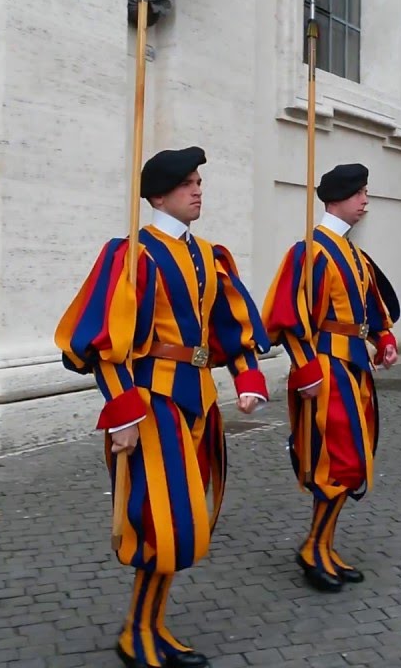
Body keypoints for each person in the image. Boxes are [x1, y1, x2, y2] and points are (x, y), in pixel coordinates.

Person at [54, 146, 270, 667]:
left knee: (180, 520)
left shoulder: (208, 254)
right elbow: (102, 341)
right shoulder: (131, 255)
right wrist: (123, 412)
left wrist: (246, 375)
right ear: (158, 194)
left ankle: (151, 626)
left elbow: (228, 325)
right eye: (187, 182)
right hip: (154, 405)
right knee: (163, 522)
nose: (198, 190)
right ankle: (136, 633)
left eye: (199, 181)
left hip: (200, 399)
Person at [262, 162, 401, 593]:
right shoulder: (309, 252)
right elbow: (288, 319)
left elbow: (373, 309)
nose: (365, 201)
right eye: (359, 193)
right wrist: (305, 368)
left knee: (351, 460)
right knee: (334, 462)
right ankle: (312, 549)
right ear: (337, 198)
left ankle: (323, 545)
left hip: (355, 367)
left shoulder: (354, 254)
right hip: (325, 368)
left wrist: (384, 337)